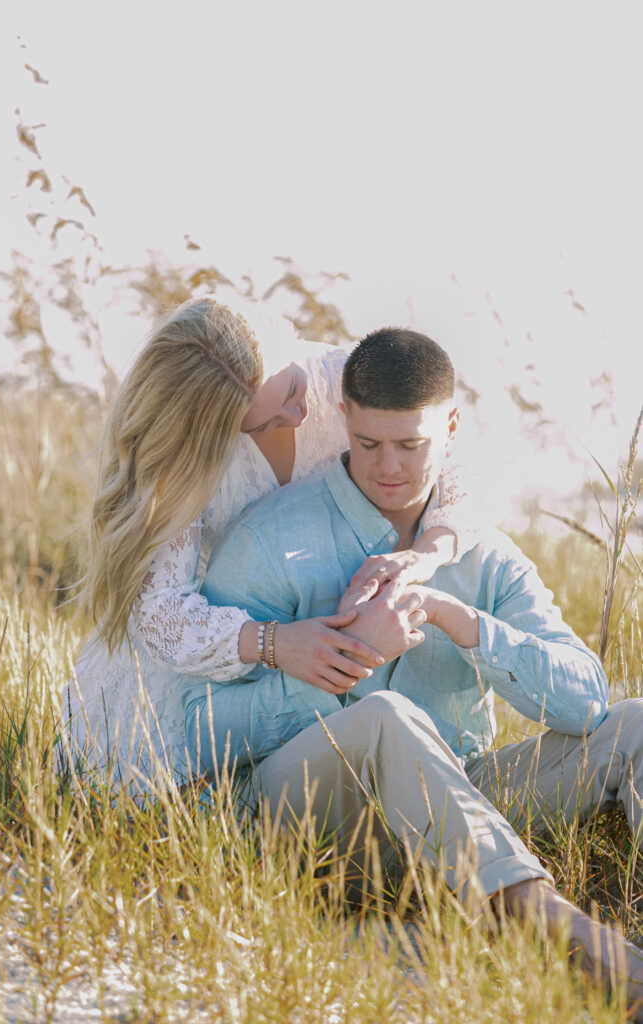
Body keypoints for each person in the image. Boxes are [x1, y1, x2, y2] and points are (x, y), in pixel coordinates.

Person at [183, 327, 643, 1015]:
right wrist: (340, 662)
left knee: (634, 724)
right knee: (384, 719)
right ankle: (557, 932)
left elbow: (584, 703)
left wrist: (458, 620)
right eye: (368, 444)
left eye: (410, 445)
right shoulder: (270, 539)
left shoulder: (485, 556)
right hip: (310, 823)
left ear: (451, 427)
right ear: (344, 419)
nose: (388, 467)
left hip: (461, 810)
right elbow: (196, 729)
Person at [66, 298, 484, 781]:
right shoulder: (181, 458)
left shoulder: (341, 374)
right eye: (263, 424)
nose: (300, 413)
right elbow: (158, 614)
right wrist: (274, 643)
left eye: (291, 385)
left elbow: (462, 463)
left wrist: (423, 555)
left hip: (323, 626)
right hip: (209, 658)